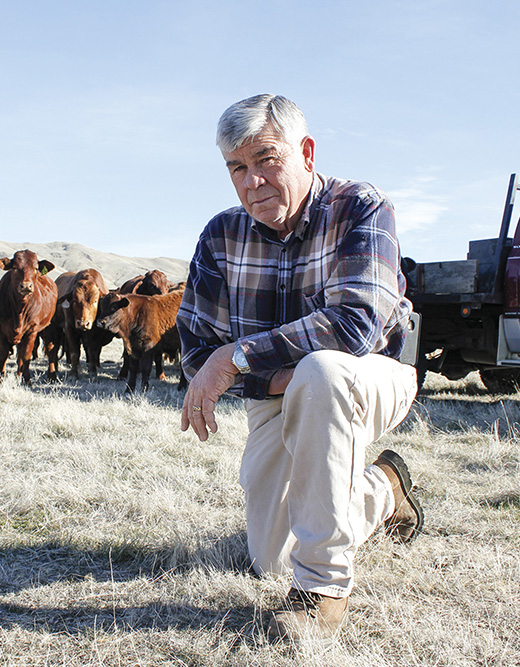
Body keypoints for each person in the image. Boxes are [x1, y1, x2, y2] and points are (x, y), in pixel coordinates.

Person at [177, 94, 423, 642]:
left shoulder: (361, 206)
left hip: (371, 377)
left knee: (324, 373)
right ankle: (384, 488)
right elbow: (196, 349)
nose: (253, 182)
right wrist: (273, 376)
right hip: (275, 395)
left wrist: (241, 357)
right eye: (237, 168)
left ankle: (323, 590)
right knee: (269, 558)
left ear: (306, 152)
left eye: (267, 159)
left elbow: (356, 325)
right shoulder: (220, 235)